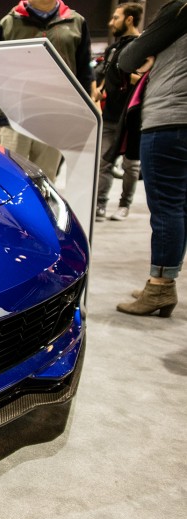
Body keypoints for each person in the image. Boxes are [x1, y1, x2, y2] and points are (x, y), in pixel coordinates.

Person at [116, 0, 187, 317]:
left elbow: (127, 57)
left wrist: (151, 57)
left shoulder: (179, 9)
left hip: (169, 120)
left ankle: (159, 286)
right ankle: (165, 279)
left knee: (167, 207)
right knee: (179, 206)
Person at [0, 0, 96, 182]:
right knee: (11, 180)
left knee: (47, 182)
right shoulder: (9, 23)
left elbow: (84, 75)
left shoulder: (76, 22)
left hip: (56, 119)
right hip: (14, 118)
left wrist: (82, 117)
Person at [95, 3, 143, 222]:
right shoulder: (112, 49)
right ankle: (100, 205)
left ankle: (124, 204)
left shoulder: (142, 46)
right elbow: (105, 76)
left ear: (129, 19)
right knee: (103, 162)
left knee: (130, 165)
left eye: (115, 18)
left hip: (133, 116)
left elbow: (143, 78)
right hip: (110, 115)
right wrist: (99, 90)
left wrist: (131, 77)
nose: (110, 22)